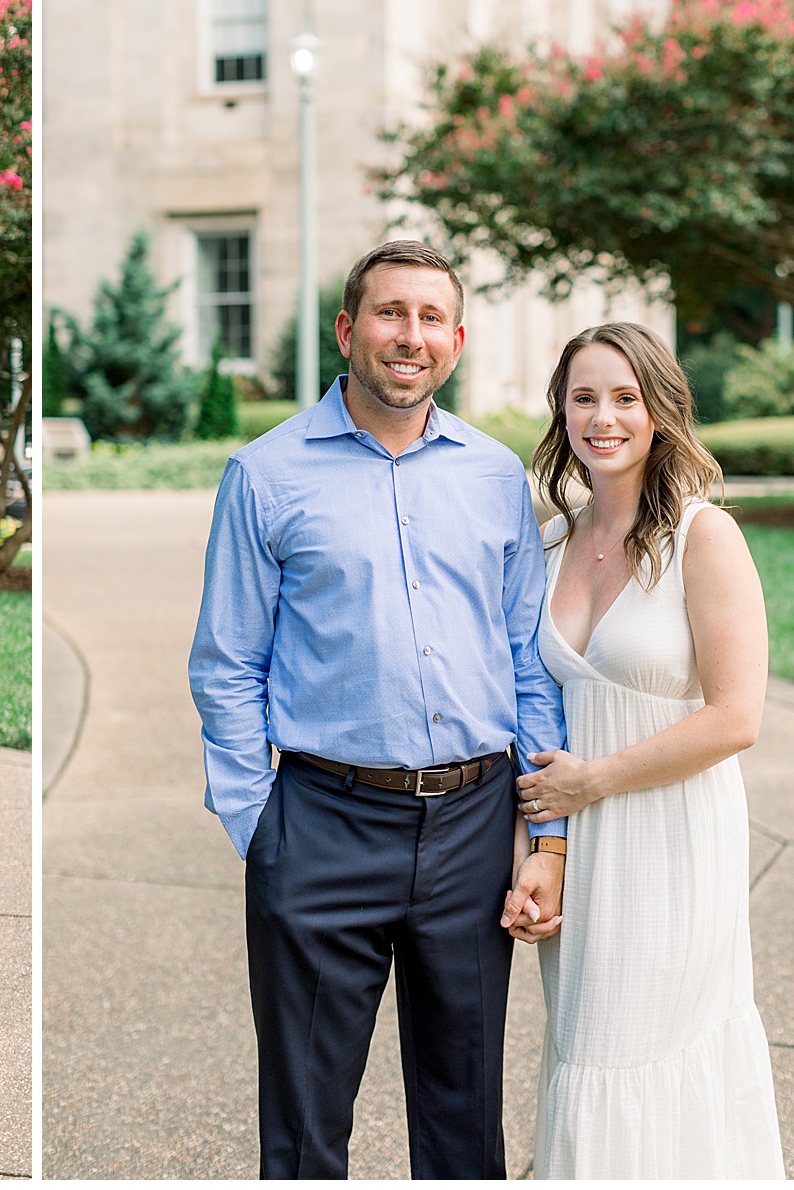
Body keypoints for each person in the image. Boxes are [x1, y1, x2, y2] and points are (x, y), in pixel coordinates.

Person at [189, 240, 568, 1179]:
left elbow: (527, 660)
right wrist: (257, 825)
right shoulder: (265, 475)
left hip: (475, 826)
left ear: (458, 339)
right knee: (307, 1129)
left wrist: (545, 833)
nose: (412, 336)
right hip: (320, 824)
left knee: (464, 1121)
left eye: (431, 317)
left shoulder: (493, 475)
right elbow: (227, 663)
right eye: (392, 313)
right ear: (347, 329)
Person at [515, 322, 785, 1177]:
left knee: (655, 1045)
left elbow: (737, 716)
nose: (605, 417)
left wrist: (596, 780)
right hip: (580, 842)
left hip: (671, 832)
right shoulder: (550, 543)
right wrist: (540, 847)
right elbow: (535, 708)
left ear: (659, 411)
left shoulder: (703, 538)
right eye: (584, 397)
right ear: (561, 412)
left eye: (625, 398)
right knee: (586, 1049)